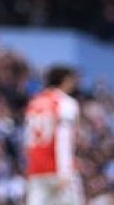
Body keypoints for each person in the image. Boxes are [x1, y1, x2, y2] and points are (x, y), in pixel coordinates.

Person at [25, 66, 83, 205]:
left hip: (36, 169)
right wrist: (64, 171)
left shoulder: (34, 103)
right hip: (57, 167)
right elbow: (63, 136)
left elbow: (27, 138)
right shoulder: (66, 103)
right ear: (65, 81)